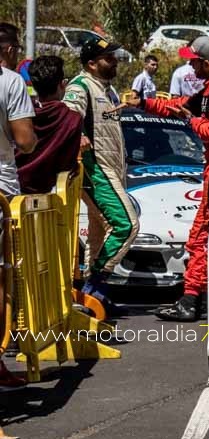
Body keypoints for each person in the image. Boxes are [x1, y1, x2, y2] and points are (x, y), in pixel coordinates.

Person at [124, 36, 209, 321]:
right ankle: (199, 297)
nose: (190, 65)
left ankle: (192, 299)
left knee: (205, 236)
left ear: (206, 63)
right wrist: (144, 103)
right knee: (203, 236)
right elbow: (181, 104)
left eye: (193, 61)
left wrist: (189, 120)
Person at [62, 37, 140, 314]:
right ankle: (94, 286)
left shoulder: (109, 90)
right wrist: (79, 134)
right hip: (95, 169)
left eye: (115, 56)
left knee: (98, 235)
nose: (115, 61)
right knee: (127, 225)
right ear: (92, 63)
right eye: (109, 58)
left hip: (113, 169)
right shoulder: (80, 85)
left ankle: (93, 302)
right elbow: (68, 115)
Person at [0, 25, 36, 390]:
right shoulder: (11, 82)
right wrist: (31, 137)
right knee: (1, 279)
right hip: (1, 188)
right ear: (9, 50)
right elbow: (25, 141)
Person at [17, 56, 82, 195]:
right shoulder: (72, 119)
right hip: (44, 200)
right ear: (61, 84)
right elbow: (66, 165)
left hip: (10, 188)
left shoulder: (19, 113)